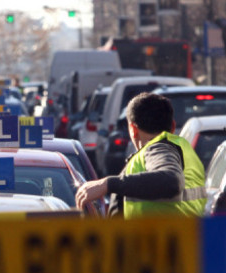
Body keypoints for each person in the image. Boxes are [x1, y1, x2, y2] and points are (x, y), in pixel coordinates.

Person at [76, 92, 206, 217]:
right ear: (172, 126)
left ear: (133, 129)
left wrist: (107, 184)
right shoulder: (182, 151)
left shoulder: (159, 149)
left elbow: (171, 181)